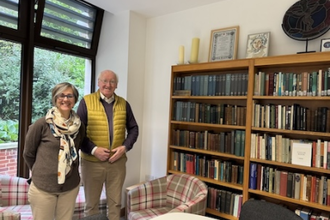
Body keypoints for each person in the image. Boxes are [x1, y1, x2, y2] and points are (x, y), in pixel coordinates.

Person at [77, 70, 139, 220]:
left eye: (112, 82)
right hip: (92, 163)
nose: (108, 85)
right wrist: (94, 150)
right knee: (91, 205)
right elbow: (78, 132)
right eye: (104, 81)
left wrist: (125, 147)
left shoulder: (124, 104)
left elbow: (133, 129)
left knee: (115, 204)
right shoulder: (86, 102)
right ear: (98, 83)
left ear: (116, 85)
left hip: (116, 163)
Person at [23, 82, 85, 220]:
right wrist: (42, 171)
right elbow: (28, 153)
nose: (65, 99)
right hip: (43, 188)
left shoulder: (79, 126)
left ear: (75, 100)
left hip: (70, 186)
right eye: (61, 95)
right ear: (55, 98)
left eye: (70, 96)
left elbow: (77, 149)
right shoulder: (42, 124)